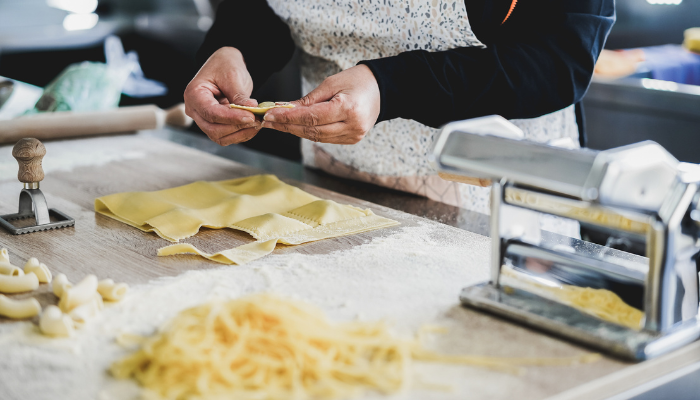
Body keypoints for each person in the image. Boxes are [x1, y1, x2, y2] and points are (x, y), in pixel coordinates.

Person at [185, 0, 615, 216]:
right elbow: (265, 9)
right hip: (331, 188)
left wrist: (389, 86)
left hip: (492, 208)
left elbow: (561, 60)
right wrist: (234, 47)